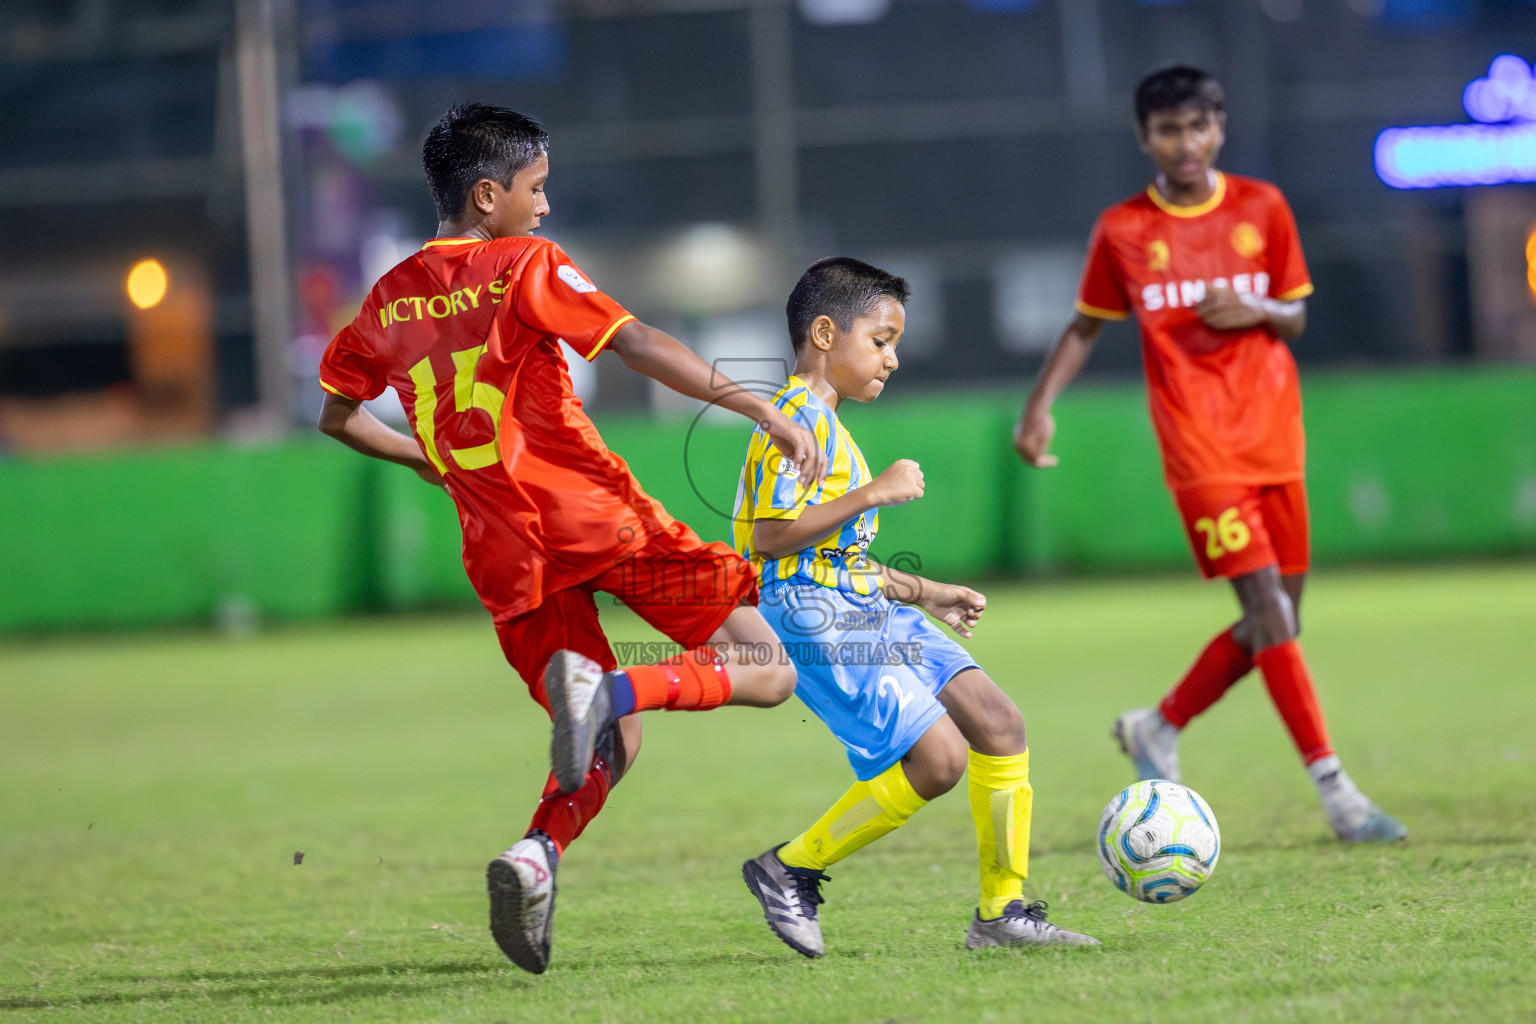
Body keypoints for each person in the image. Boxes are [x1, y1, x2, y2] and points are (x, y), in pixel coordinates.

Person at [316, 103, 827, 974]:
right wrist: (756, 407)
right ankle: (614, 691)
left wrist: (430, 460)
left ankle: (535, 855)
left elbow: (338, 415)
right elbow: (638, 345)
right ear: (487, 195)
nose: (545, 207)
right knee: (769, 670)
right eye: (535, 189)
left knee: (608, 752)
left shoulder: (387, 299)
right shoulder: (525, 263)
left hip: (502, 555)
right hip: (594, 518)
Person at [1013, 66, 1405, 843]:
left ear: (1219, 128)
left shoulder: (1263, 206)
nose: (1184, 143)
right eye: (1167, 130)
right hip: (1200, 447)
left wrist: (1256, 307)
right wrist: (1038, 408)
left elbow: (1293, 315)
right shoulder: (1124, 229)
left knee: (1281, 618)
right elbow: (1086, 325)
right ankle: (1339, 795)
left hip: (1274, 435)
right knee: (1266, 611)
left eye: (1197, 126)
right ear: (1143, 138)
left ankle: (1159, 726)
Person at [724, 257, 1097, 956]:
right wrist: (873, 493)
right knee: (939, 760)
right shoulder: (792, 421)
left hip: (860, 603)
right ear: (827, 334)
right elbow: (772, 542)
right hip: (811, 618)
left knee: (998, 721)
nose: (892, 358)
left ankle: (1002, 912)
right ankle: (789, 867)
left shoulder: (831, 428)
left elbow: (838, 558)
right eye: (882, 339)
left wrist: (932, 593)